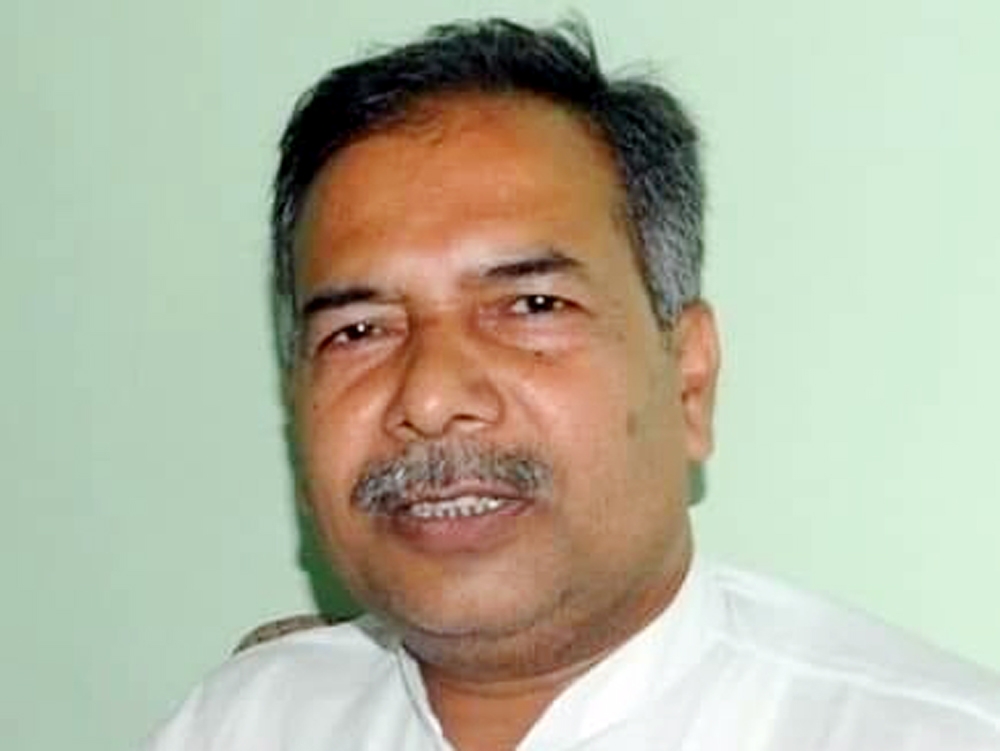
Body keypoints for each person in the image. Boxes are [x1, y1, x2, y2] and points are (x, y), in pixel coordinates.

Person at [143, 18, 1000, 751]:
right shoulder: (245, 723)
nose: (430, 397)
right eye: (359, 330)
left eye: (530, 305)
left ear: (689, 378)